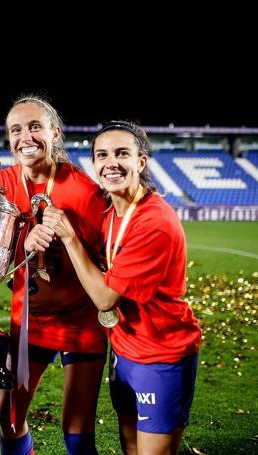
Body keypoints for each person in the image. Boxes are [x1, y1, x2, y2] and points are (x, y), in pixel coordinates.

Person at [40, 120, 201, 454]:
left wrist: (69, 237)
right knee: (129, 444)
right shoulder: (113, 211)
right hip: (124, 350)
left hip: (160, 354)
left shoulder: (154, 222)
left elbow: (103, 298)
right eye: (102, 154)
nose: (110, 162)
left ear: (141, 162)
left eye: (122, 153)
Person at [0, 95, 109, 455]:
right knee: (9, 420)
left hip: (81, 320)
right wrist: (21, 244)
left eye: (35, 127)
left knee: (77, 429)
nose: (25, 137)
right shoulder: (2, 184)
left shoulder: (87, 193)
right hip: (31, 321)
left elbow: (110, 262)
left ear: (54, 133)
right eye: (16, 129)